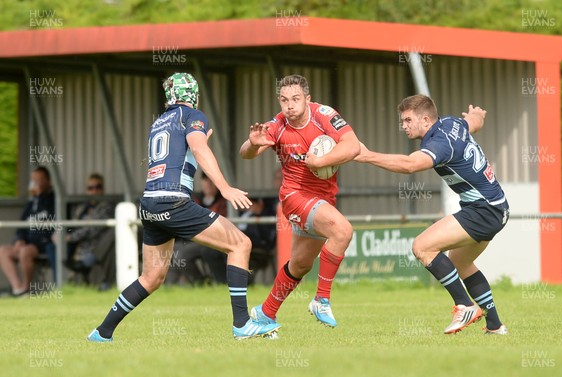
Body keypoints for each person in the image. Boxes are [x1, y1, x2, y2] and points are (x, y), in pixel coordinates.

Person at [87, 72, 280, 342]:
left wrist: (197, 144)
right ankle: (242, 323)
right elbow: (199, 149)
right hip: (173, 202)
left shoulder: (159, 123)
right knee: (240, 245)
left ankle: (102, 331)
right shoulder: (193, 116)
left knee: (151, 277)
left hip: (150, 204)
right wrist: (225, 187)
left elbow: (179, 154)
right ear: (193, 95)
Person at [354, 94, 509, 335]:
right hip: (497, 206)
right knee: (461, 262)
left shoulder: (440, 143)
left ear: (425, 119)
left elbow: (409, 165)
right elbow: (474, 122)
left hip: (483, 210)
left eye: (407, 120)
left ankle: (465, 306)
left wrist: (366, 155)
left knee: (422, 247)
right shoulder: (451, 123)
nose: (403, 126)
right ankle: (495, 325)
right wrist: (476, 114)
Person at [239, 74, 360, 329]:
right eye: (283, 100)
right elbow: (246, 153)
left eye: (295, 99)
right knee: (342, 231)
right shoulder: (278, 124)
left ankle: (265, 313)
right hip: (295, 196)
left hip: (323, 198)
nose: (289, 105)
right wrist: (252, 143)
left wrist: (319, 161)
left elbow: (352, 146)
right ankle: (321, 299)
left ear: (308, 99)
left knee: (300, 265)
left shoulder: (324, 115)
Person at [0, 166, 55, 296]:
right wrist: (19, 239)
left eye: (40, 180)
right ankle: (17, 288)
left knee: (25, 251)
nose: (37, 183)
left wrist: (33, 241)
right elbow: (22, 225)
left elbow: (54, 226)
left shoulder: (54, 200)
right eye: (34, 180)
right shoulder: (31, 203)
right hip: (27, 243)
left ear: (48, 181)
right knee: (3, 251)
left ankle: (26, 288)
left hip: (41, 244)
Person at [168, 173, 229, 285]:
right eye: (206, 181)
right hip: (193, 239)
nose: (209, 185)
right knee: (173, 249)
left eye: (211, 181)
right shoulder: (195, 199)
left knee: (182, 255)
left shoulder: (224, 201)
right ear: (202, 183)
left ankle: (200, 284)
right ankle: (170, 285)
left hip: (213, 240)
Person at [55, 173, 114, 285]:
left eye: (98, 187)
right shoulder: (81, 208)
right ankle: (59, 284)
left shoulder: (106, 207)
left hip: (95, 246)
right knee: (52, 245)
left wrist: (69, 237)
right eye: (91, 188)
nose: (94, 191)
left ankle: (77, 279)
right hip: (78, 245)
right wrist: (60, 235)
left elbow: (93, 229)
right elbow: (72, 225)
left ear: (103, 189)